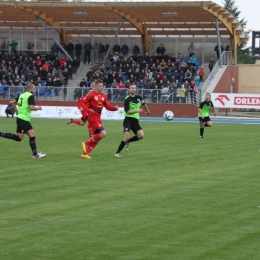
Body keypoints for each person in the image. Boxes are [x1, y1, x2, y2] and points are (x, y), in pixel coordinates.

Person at [0, 83, 46, 158]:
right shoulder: (30, 96)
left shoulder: (22, 95)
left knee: (32, 135)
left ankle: (35, 155)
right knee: (19, 138)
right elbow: (31, 107)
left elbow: (12, 103)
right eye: (34, 89)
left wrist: (17, 112)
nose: (35, 90)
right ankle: (0, 133)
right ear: (30, 89)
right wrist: (39, 108)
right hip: (23, 119)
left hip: (24, 119)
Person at [80, 79, 118, 159]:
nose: (102, 87)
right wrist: (88, 109)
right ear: (96, 86)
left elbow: (108, 107)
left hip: (98, 118)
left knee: (97, 138)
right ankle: (85, 143)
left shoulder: (104, 96)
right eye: (100, 86)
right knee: (103, 133)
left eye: (102, 86)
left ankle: (85, 153)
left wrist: (114, 108)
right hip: (93, 118)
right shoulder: (91, 95)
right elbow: (82, 103)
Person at [115, 83, 150, 157]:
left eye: (134, 88)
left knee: (141, 135)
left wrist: (147, 111)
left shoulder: (139, 98)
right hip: (128, 120)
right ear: (129, 89)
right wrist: (137, 111)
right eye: (132, 88)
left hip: (135, 121)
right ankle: (117, 152)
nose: (133, 89)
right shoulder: (127, 99)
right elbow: (127, 111)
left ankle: (128, 142)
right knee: (127, 137)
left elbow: (144, 104)